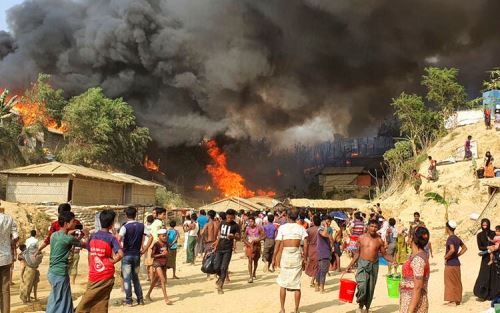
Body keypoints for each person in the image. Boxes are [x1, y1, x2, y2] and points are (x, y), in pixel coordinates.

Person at [76, 210, 123, 313]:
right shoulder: (111, 238)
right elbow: (120, 254)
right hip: (106, 274)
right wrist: (111, 262)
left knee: (88, 301)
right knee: (102, 301)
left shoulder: (93, 236)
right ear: (112, 224)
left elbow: (89, 251)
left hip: (93, 273)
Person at [345, 219, 393, 313]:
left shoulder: (379, 240)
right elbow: (357, 253)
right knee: (362, 286)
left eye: (375, 227)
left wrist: (394, 260)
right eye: (371, 226)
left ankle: (366, 308)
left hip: (374, 265)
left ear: (378, 228)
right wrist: (349, 265)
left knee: (370, 288)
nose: (373, 228)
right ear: (367, 227)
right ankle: (360, 305)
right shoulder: (361, 238)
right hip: (362, 264)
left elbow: (384, 254)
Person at [46, 211, 87, 313]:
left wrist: (71, 233)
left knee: (61, 298)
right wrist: (86, 234)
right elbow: (84, 244)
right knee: (58, 300)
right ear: (66, 224)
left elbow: (65, 238)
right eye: (73, 222)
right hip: (60, 274)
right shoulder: (68, 239)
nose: (74, 224)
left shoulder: (54, 235)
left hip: (52, 272)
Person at [273, 207, 309, 313]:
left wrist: (274, 258)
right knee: (297, 285)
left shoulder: (282, 228)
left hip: (285, 256)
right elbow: (306, 245)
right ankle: (296, 310)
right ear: (297, 217)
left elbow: (278, 244)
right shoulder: (301, 228)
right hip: (297, 256)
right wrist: (305, 258)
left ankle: (282, 309)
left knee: (283, 284)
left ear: (287, 216)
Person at [117, 206, 152, 307]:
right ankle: (140, 299)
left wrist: (119, 251)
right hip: (137, 255)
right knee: (135, 278)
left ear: (126, 215)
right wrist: (144, 250)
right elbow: (151, 237)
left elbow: (118, 239)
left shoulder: (125, 227)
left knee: (127, 279)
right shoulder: (141, 226)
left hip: (127, 255)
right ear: (135, 214)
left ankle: (129, 301)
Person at [399, 226, 431, 313]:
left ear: (412, 238)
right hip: (410, 300)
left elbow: (418, 287)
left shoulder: (418, 259)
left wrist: (410, 310)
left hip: (413, 303)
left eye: (409, 236)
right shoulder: (418, 255)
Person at [213, 209, 241, 294]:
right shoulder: (222, 223)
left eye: (231, 217)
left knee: (224, 267)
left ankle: (220, 286)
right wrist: (216, 242)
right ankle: (220, 278)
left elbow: (239, 238)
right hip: (219, 248)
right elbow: (219, 234)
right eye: (228, 216)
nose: (229, 218)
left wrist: (234, 237)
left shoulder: (236, 226)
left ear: (233, 217)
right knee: (216, 267)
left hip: (228, 249)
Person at [145, 229, 172, 305]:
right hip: (157, 263)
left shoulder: (166, 244)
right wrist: (161, 254)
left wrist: (167, 254)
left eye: (165, 235)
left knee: (155, 279)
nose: (165, 237)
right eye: (163, 236)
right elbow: (152, 255)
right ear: (159, 236)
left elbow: (168, 252)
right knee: (162, 280)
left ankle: (148, 295)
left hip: (164, 263)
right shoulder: (156, 244)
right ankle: (166, 298)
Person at [443, 220, 467, 306]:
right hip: (456, 263)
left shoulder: (450, 238)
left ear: (447, 228)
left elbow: (452, 249)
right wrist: (457, 255)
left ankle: (453, 301)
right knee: (457, 281)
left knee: (450, 282)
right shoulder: (457, 238)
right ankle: (457, 300)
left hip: (450, 264)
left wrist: (446, 257)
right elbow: (465, 248)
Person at [474, 219, 498, 301]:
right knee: (484, 275)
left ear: (488, 224)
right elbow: (480, 247)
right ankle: (482, 294)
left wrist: (493, 248)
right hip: (485, 258)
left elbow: (497, 243)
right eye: (483, 225)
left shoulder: (493, 233)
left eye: (486, 225)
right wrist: (487, 248)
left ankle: (493, 294)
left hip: (494, 256)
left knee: (494, 275)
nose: (485, 227)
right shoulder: (479, 235)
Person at [243, 216, 265, 283]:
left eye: (251, 221)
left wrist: (258, 239)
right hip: (250, 246)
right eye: (249, 222)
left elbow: (264, 236)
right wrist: (248, 244)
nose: (250, 223)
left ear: (254, 222)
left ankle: (254, 272)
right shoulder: (247, 229)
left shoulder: (259, 228)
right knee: (250, 260)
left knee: (256, 261)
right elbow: (243, 238)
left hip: (257, 246)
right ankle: (250, 276)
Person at [315, 216, 332, 293]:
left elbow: (330, 239)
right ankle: (321, 288)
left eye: (330, 222)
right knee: (323, 271)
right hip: (323, 252)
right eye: (327, 221)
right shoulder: (321, 228)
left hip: (324, 251)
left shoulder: (325, 229)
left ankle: (317, 285)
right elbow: (324, 234)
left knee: (320, 269)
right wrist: (325, 225)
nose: (329, 223)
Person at [305, 215, 320, 287]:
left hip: (311, 249)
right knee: (318, 266)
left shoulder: (308, 230)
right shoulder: (321, 229)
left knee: (313, 265)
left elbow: (306, 242)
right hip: (319, 249)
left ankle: (313, 280)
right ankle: (314, 281)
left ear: (313, 222)